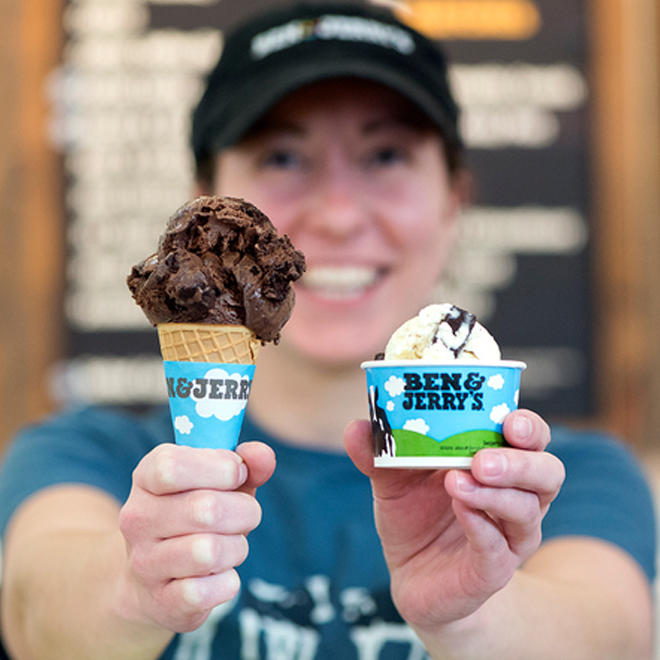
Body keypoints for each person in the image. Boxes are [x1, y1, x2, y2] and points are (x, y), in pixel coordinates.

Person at [0, 2, 656, 659]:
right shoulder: (91, 456)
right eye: (283, 156)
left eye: (387, 154)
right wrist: (130, 590)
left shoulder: (553, 480)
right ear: (206, 196)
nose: (339, 215)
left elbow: (608, 634)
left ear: (454, 199)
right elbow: (39, 614)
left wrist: (469, 618)